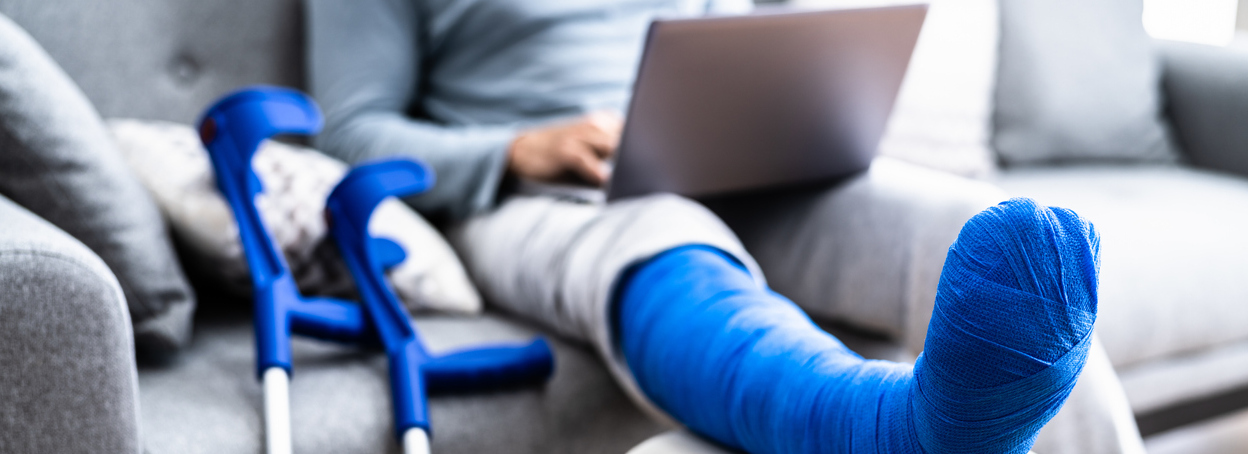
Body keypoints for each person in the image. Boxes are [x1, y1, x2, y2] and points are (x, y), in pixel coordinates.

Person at [305, 1, 1106, 452]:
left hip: (720, 157)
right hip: (525, 192)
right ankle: (898, 434)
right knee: (663, 236)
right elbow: (345, 130)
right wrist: (519, 147)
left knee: (986, 241)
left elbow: (737, 37)